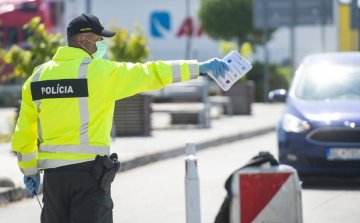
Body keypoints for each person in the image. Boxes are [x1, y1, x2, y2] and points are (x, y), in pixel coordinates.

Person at [11, 13, 229, 223]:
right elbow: (150, 73)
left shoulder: (37, 77)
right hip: (89, 176)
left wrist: (30, 170)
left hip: (53, 180)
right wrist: (199, 68)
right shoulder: (99, 72)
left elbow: (24, 132)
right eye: (98, 40)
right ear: (81, 40)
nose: (101, 45)